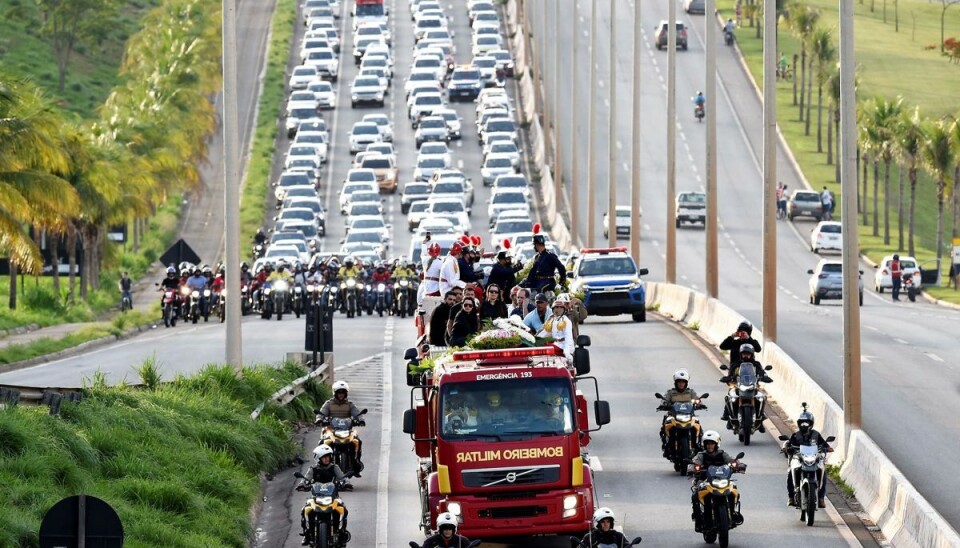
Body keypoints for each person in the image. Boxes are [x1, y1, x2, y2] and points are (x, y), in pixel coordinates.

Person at [298, 445, 350, 546]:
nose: (327, 459)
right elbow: (305, 479)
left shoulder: (334, 467)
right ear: (318, 458)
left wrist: (345, 482)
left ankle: (341, 532)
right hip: (316, 498)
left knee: (343, 509)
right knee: (305, 510)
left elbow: (342, 477)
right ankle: (307, 534)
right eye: (324, 457)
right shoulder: (313, 469)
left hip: (332, 497)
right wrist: (302, 484)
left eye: (328, 456)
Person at [690, 431, 741, 532]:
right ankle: (699, 520)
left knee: (734, 489)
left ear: (717, 444)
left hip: (722, 480)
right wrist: (692, 468)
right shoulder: (701, 455)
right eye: (708, 443)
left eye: (712, 443)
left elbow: (731, 460)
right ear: (704, 444)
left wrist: (738, 464)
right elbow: (694, 463)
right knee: (695, 495)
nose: (710, 446)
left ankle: (733, 513)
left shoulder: (722, 454)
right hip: (705, 480)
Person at [784, 409, 833, 508]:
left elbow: (824, 444)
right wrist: (786, 448)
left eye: (806, 422)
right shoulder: (795, 435)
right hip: (800, 460)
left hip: (814, 459)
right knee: (790, 472)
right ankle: (791, 497)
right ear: (799, 423)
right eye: (802, 423)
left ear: (811, 423)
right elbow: (788, 444)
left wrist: (827, 448)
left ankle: (821, 498)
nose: (804, 425)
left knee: (823, 472)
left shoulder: (816, 434)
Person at [316, 381, 365, 476]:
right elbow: (321, 412)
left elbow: (357, 413)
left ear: (346, 393)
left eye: (343, 393)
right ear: (335, 393)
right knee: (322, 442)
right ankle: (320, 463)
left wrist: (360, 420)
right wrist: (319, 419)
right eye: (339, 392)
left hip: (347, 430)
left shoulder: (350, 404)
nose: (341, 395)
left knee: (357, 441)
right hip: (331, 430)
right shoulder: (328, 404)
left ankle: (356, 462)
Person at [659, 369, 701, 457]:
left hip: (688, 416)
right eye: (679, 382)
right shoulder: (671, 392)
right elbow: (664, 400)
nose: (681, 384)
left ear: (686, 383)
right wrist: (664, 404)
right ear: (676, 382)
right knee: (666, 424)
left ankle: (698, 444)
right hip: (674, 417)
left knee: (697, 424)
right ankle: (666, 445)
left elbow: (697, 399)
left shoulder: (691, 392)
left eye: (683, 382)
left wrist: (699, 403)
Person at [538, 294, 574, 359]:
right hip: (554, 344)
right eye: (556, 307)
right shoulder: (551, 319)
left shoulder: (566, 321)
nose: (558, 309)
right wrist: (535, 340)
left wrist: (567, 352)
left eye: (561, 308)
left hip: (562, 347)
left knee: (543, 349)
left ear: (564, 309)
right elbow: (545, 332)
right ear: (553, 309)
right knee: (539, 346)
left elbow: (568, 337)